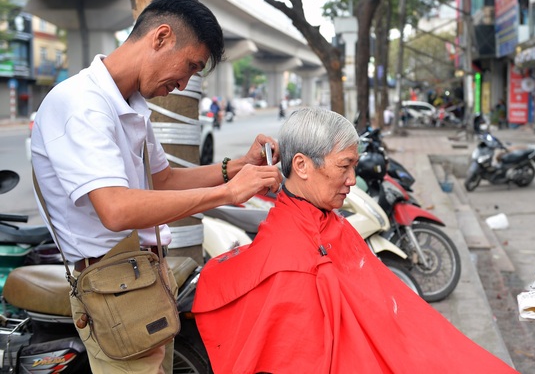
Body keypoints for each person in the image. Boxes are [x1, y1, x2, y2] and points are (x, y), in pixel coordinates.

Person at [30, 0, 282, 373]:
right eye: (191, 67)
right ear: (161, 37)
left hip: (143, 280)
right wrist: (228, 193)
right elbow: (116, 209)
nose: (183, 84)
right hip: (112, 287)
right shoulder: (81, 104)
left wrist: (236, 166)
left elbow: (162, 181)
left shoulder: (130, 104)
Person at [193, 107, 518, 374]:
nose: (352, 180)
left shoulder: (327, 223)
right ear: (302, 166)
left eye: (355, 167)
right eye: (344, 167)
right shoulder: (295, 266)